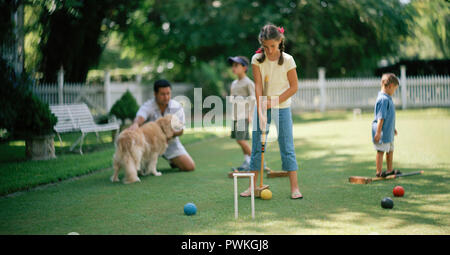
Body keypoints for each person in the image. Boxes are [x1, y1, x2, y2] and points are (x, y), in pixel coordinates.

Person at [241, 24, 303, 199]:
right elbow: (258, 85)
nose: (269, 51)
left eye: (273, 46)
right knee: (256, 147)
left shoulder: (288, 60)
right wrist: (261, 107)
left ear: (280, 42)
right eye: (265, 47)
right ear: (261, 44)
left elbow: (294, 87)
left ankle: (294, 188)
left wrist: (273, 101)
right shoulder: (257, 59)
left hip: (282, 107)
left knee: (287, 146)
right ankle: (252, 186)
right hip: (262, 106)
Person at [129, 79, 195, 171]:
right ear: (155, 94)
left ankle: (173, 161)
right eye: (162, 94)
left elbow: (181, 131)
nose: (166, 97)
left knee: (189, 167)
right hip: (150, 145)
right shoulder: (148, 105)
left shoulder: (176, 107)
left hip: (171, 143)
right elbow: (140, 117)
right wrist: (135, 124)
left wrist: (168, 135)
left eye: (168, 93)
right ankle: (146, 164)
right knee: (141, 171)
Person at [227, 56, 255, 170]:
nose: (233, 68)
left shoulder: (248, 83)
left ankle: (256, 162)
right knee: (239, 140)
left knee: (241, 140)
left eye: (236, 65)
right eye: (232, 66)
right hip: (236, 116)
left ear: (244, 67)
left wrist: (250, 114)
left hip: (244, 115)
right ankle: (247, 161)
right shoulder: (234, 83)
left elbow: (253, 99)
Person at [372, 73, 400, 177]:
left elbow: (389, 117)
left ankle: (389, 170)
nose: (394, 92)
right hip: (382, 133)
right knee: (381, 151)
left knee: (390, 150)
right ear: (389, 86)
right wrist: (378, 132)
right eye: (394, 89)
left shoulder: (388, 98)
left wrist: (393, 128)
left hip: (388, 131)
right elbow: (381, 117)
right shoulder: (383, 99)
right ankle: (378, 172)